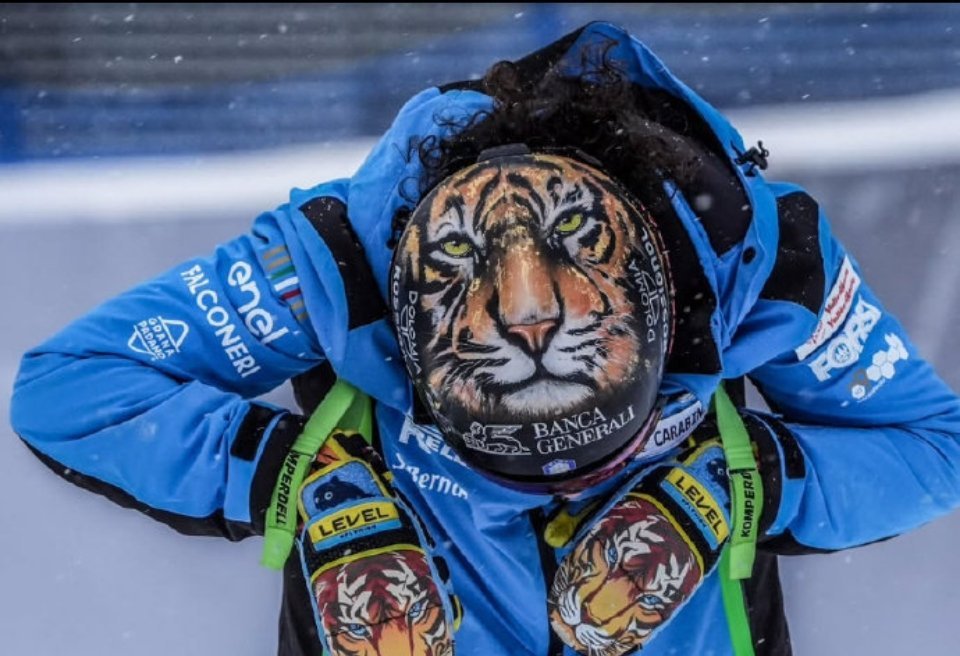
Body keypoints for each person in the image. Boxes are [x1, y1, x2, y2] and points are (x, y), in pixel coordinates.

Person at [10, 21, 960, 656]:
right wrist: (295, 478)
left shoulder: (761, 261)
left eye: (599, 457)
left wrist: (743, 475)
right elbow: (70, 385)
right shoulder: (341, 262)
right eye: (503, 462)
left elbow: (932, 445)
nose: (564, 490)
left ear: (670, 323)